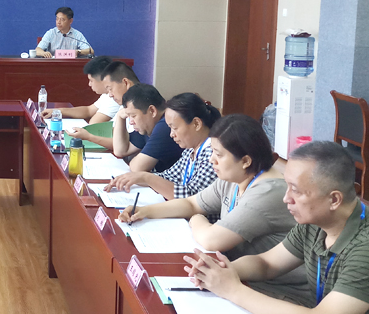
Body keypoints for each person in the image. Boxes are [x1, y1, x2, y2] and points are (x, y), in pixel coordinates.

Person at [120, 114, 310, 305]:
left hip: (278, 292)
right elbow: (191, 204)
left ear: (245, 161)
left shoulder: (267, 192)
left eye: (218, 155)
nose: (212, 160)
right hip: (240, 277)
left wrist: (196, 218)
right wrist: (145, 211)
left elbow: (211, 240)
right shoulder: (235, 178)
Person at [185, 141, 369, 313]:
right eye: (287, 186)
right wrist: (223, 270)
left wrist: (232, 290)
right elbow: (267, 264)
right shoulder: (316, 221)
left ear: (334, 199)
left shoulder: (364, 247)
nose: (286, 198)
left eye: (295, 190)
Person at [106, 92, 220, 200]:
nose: (171, 134)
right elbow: (168, 177)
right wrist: (135, 178)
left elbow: (193, 198)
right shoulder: (190, 150)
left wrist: (146, 178)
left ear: (196, 124)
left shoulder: (213, 153)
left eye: (174, 128)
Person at [111, 83, 184, 173]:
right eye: (128, 116)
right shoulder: (148, 126)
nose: (131, 121)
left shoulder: (165, 125)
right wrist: (120, 117)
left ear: (152, 111)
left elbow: (137, 168)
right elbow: (120, 151)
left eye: (133, 116)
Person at [41, 56, 118, 124]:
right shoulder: (106, 94)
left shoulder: (115, 98)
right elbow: (88, 110)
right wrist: (56, 111)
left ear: (104, 80)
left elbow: (93, 123)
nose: (89, 84)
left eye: (91, 81)